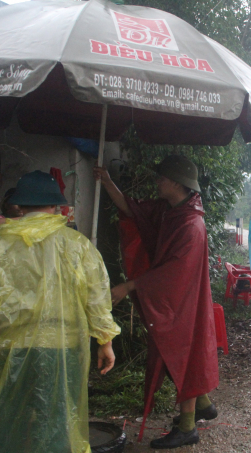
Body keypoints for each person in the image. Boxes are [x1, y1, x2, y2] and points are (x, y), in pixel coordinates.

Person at [0, 170, 120, 453]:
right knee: (56, 423)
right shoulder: (77, 246)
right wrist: (105, 341)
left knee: (7, 423)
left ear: (20, 206)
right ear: (55, 206)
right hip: (62, 352)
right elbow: (97, 297)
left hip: (11, 350)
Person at [94, 155, 219, 450]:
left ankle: (188, 428)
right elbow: (132, 210)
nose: (157, 182)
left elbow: (174, 272)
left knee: (182, 354)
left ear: (176, 183)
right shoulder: (170, 210)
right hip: (176, 300)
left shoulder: (190, 225)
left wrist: (130, 285)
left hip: (183, 302)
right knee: (178, 352)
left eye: (161, 178)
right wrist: (107, 182)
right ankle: (202, 404)